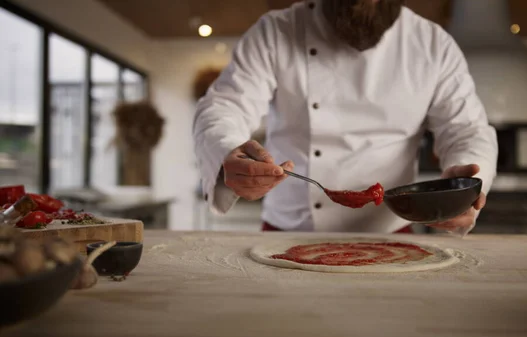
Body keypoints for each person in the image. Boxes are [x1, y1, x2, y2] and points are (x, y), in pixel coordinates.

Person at [193, 0, 498, 234]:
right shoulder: (276, 31)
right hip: (287, 232)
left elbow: (467, 130)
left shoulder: (434, 45)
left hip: (390, 234)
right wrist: (228, 151)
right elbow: (224, 106)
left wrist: (466, 185)